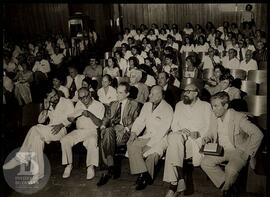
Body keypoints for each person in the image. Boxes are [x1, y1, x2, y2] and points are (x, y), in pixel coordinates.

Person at [3, 88, 75, 184]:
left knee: (34, 129)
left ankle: (20, 158)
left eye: (55, 95)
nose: (55, 97)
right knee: (37, 138)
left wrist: (61, 125)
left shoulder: (67, 102)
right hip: (48, 130)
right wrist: (45, 109)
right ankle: (37, 173)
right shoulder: (49, 105)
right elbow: (40, 121)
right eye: (52, 97)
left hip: (61, 130)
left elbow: (72, 120)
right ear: (47, 98)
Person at [201, 92, 263, 197]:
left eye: (216, 106)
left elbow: (258, 134)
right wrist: (207, 137)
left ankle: (226, 191)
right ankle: (227, 185)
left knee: (231, 169)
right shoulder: (214, 115)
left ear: (225, 106)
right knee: (205, 162)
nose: (213, 109)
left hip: (238, 150)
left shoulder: (238, 117)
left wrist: (248, 153)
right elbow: (211, 131)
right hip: (221, 150)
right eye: (212, 106)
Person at [163, 83, 214, 197]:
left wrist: (199, 133)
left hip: (195, 140)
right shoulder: (179, 105)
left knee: (172, 146)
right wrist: (181, 130)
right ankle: (179, 180)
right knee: (174, 137)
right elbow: (174, 124)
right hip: (180, 135)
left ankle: (174, 185)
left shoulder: (206, 106)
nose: (185, 94)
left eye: (188, 91)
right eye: (184, 91)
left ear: (196, 93)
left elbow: (210, 126)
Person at [127, 85, 173, 190]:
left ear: (160, 95)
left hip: (161, 139)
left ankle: (143, 178)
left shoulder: (168, 108)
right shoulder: (147, 105)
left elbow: (163, 131)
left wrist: (149, 145)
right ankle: (144, 173)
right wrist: (134, 132)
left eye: (152, 94)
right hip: (148, 135)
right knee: (131, 144)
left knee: (152, 155)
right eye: (150, 92)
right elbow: (140, 120)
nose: (149, 95)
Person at [97, 82, 141, 186]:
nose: (117, 95)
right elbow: (106, 118)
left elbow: (138, 122)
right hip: (112, 130)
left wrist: (126, 128)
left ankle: (107, 171)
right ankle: (111, 167)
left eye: (120, 93)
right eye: (117, 92)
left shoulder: (134, 104)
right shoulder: (113, 104)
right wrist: (103, 125)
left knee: (104, 140)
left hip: (126, 131)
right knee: (106, 131)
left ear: (127, 94)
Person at [60, 88, 105, 180]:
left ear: (90, 94)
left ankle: (90, 166)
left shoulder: (99, 105)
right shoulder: (79, 104)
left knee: (92, 141)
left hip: (92, 130)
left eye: (85, 97)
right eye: (80, 98)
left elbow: (100, 124)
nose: (83, 100)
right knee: (64, 140)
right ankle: (69, 165)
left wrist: (90, 114)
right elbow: (72, 117)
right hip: (79, 131)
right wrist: (71, 119)